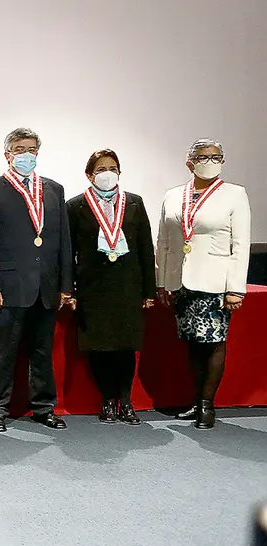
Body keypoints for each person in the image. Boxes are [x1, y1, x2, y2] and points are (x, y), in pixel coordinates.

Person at [0, 127, 73, 432]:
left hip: (46, 286)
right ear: (7, 154)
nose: (25, 154)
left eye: (31, 149)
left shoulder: (54, 190)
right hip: (7, 288)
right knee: (1, 352)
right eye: (19, 149)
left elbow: (64, 241)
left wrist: (66, 286)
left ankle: (44, 407)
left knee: (42, 352)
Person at [156, 138, 251, 429]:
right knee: (193, 344)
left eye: (215, 157)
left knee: (213, 342)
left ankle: (207, 404)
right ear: (190, 163)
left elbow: (240, 244)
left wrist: (235, 288)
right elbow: (164, 240)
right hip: (181, 281)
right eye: (202, 157)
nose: (209, 161)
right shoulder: (174, 195)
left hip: (216, 283)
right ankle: (196, 401)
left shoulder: (234, 194)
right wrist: (162, 282)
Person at [66, 150, 156, 424]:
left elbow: (145, 248)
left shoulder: (135, 203)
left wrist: (149, 290)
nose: (108, 173)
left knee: (125, 346)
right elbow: (68, 253)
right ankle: (107, 399)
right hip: (92, 287)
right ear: (89, 175)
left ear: (119, 172)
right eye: (101, 169)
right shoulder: (76, 206)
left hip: (128, 285)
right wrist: (69, 290)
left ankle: (125, 401)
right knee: (99, 347)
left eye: (113, 168)